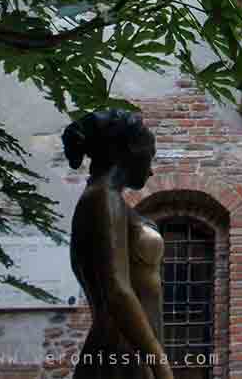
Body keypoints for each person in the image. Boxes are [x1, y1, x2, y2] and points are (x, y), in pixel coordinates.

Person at [63, 109, 173, 379]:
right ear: (128, 153)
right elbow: (117, 290)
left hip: (131, 349)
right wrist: (161, 366)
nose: (151, 170)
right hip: (120, 351)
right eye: (150, 157)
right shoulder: (103, 198)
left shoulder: (107, 200)